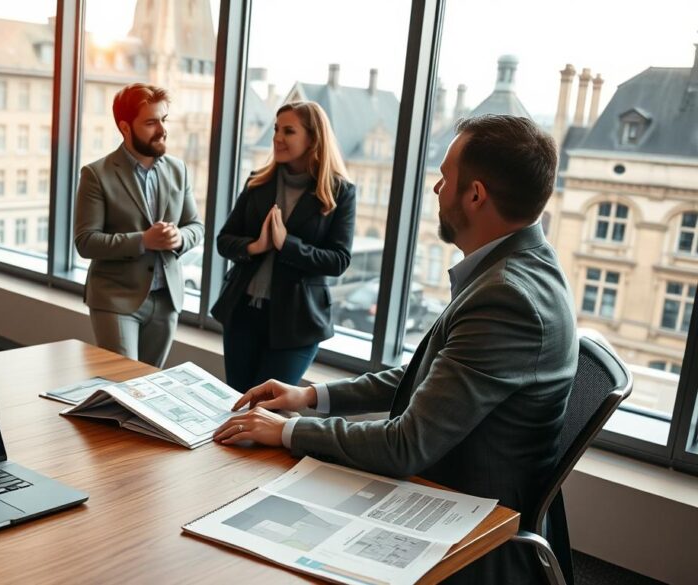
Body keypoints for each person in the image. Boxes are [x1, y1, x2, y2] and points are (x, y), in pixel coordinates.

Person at [214, 115, 577, 585]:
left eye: (446, 178)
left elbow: (405, 446)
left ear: (475, 195)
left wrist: (288, 431)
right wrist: (311, 398)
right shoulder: (520, 266)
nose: (437, 189)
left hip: (463, 515)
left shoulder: (506, 296)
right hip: (451, 481)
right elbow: (426, 376)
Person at [211, 101, 355, 393]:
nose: (277, 137)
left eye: (288, 131)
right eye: (276, 129)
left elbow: (338, 260)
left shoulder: (340, 192)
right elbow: (224, 241)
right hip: (243, 315)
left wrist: (286, 245)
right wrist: (257, 246)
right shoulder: (257, 182)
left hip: (296, 323)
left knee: (265, 410)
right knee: (236, 405)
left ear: (313, 138)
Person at [74, 83, 204, 368]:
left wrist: (178, 238)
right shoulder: (96, 174)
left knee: (149, 388)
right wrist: (143, 240)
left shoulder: (178, 169)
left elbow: (195, 226)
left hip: (167, 299)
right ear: (125, 127)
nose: (162, 129)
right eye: (150, 122)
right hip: (116, 299)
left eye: (163, 119)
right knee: (123, 386)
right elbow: (85, 241)